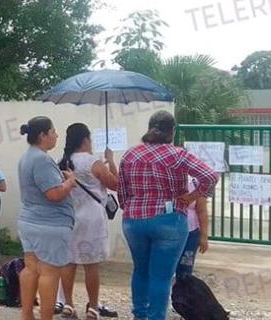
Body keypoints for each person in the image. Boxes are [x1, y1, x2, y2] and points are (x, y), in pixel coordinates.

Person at [119, 111, 217, 320]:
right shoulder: (178, 154)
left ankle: (139, 315)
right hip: (169, 219)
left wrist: (131, 207)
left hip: (134, 220)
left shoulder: (130, 154)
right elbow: (210, 176)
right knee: (161, 277)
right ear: (172, 131)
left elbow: (122, 192)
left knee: (140, 270)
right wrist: (193, 196)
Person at [56, 123, 120, 319]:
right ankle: (92, 307)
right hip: (92, 217)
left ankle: (68, 304)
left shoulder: (64, 162)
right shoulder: (94, 162)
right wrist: (111, 161)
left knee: (69, 261)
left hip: (70, 216)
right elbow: (115, 185)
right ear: (85, 139)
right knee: (91, 264)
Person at [17, 116, 77, 320]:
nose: (56, 135)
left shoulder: (27, 156)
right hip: (49, 224)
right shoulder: (41, 159)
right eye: (53, 131)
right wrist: (70, 182)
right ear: (43, 135)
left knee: (31, 269)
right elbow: (53, 194)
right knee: (49, 273)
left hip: (30, 221)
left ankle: (26, 315)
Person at [175, 176, 210, 280]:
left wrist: (204, 236)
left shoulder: (195, 183)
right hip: (168, 232)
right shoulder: (165, 180)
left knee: (185, 269)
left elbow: (202, 211)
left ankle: (183, 294)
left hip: (191, 233)